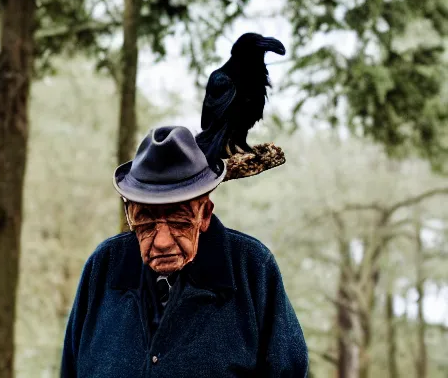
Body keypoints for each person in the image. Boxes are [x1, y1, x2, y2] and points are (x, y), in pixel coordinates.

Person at [61, 125, 308, 377]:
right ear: (129, 215)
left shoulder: (252, 269)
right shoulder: (104, 266)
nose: (162, 242)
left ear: (205, 214)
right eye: (145, 220)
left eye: (179, 219)